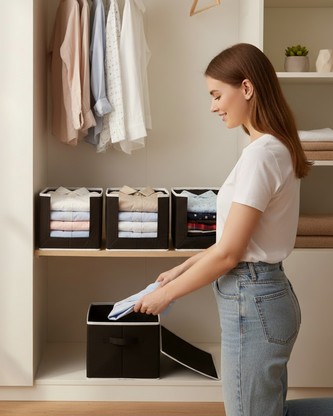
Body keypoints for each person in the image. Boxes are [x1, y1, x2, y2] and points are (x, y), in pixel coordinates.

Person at [134, 43, 333, 416]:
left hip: (253, 298)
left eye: (216, 94)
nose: (213, 106)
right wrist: (182, 268)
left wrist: (168, 295)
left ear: (246, 88)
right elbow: (233, 243)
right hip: (262, 294)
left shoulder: (262, 155)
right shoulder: (274, 147)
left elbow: (230, 254)